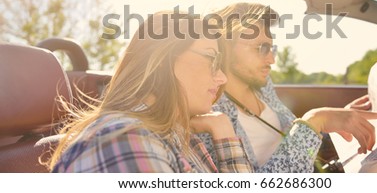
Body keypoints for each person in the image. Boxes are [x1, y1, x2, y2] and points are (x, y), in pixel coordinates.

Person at [200, 2, 377, 173]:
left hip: (319, 169)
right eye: (261, 48)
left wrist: (337, 122)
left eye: (271, 47)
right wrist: (314, 121)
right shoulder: (209, 114)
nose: (272, 59)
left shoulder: (263, 87)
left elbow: (295, 141)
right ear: (224, 47)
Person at [47, 11, 253, 173]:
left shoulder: (174, 134)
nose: (222, 78)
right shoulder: (126, 139)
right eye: (212, 59)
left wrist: (224, 132)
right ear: (164, 61)